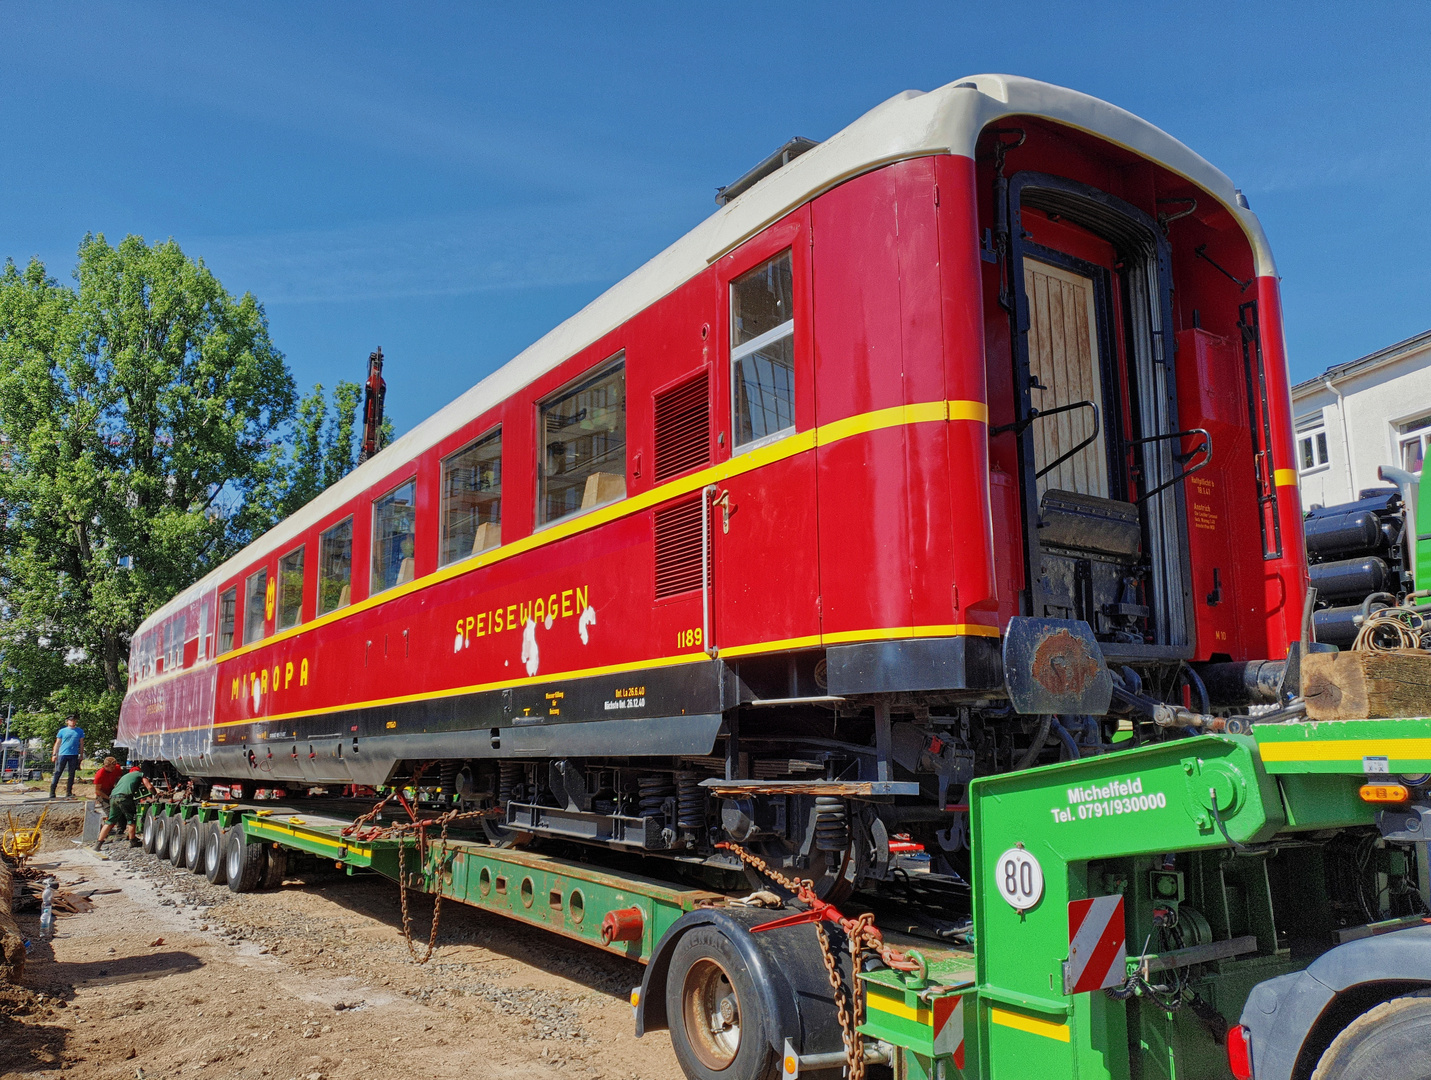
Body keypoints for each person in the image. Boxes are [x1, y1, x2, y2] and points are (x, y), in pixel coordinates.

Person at [94, 766, 154, 850]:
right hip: (124, 798)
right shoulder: (140, 774)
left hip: (113, 797)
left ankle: (98, 844)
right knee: (131, 819)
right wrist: (156, 795)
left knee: (110, 821)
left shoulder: (124, 776)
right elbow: (149, 787)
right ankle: (133, 841)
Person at [50, 716, 85, 799]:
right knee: (58, 772)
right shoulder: (62, 731)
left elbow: (81, 744)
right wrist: (54, 754)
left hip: (73, 755)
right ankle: (52, 792)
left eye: (74, 720)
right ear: (67, 722)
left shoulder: (79, 731)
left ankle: (69, 792)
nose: (72, 722)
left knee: (71, 774)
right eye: (71, 720)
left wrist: (81, 755)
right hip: (63, 754)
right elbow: (57, 743)